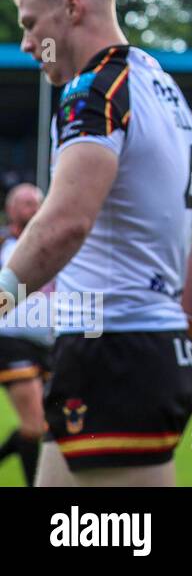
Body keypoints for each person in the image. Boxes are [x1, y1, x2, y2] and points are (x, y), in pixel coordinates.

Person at [3, 0, 192, 486]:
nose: (27, 43)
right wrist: (186, 344)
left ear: (72, 8)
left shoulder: (94, 91)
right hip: (138, 348)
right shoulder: (167, 94)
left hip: (113, 351)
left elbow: (64, 223)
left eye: (31, 24)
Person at [0, 183, 49, 484]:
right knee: (34, 424)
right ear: (11, 209)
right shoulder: (4, 244)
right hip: (10, 341)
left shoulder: (55, 242)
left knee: (47, 424)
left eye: (37, 202)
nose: (33, 208)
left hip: (48, 343)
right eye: (26, 203)